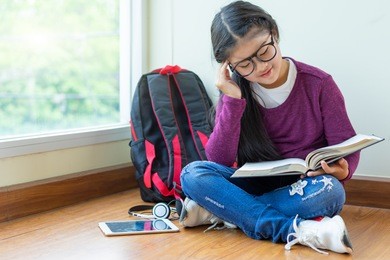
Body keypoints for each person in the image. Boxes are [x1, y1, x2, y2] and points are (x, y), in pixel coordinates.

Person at [179, 0, 359, 255]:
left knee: (331, 193)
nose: (261, 66)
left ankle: (221, 211)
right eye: (244, 64)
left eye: (264, 51)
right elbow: (219, 158)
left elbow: (347, 144)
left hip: (302, 187)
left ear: (274, 34)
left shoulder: (319, 84)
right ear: (229, 66)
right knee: (192, 174)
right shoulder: (237, 92)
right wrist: (232, 99)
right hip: (251, 184)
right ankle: (296, 230)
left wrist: (343, 170)